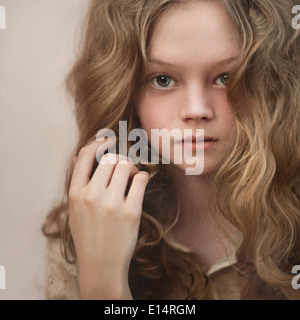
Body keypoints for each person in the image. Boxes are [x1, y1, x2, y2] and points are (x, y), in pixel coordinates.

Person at [42, 0, 300, 300]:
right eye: (163, 80)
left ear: (272, 86)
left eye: (225, 78)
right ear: (125, 93)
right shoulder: (86, 223)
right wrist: (102, 280)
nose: (197, 110)